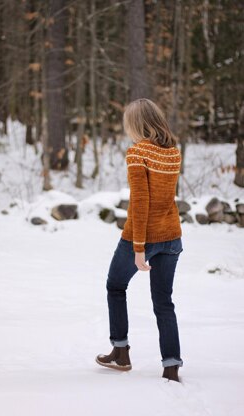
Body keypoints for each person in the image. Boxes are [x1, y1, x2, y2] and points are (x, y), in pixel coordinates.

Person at [95, 98, 184, 382]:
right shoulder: (173, 153)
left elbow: (142, 201)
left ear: (136, 123)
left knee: (115, 286)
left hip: (141, 235)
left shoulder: (137, 152)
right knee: (163, 302)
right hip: (171, 235)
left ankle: (121, 352)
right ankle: (171, 367)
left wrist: (138, 248)